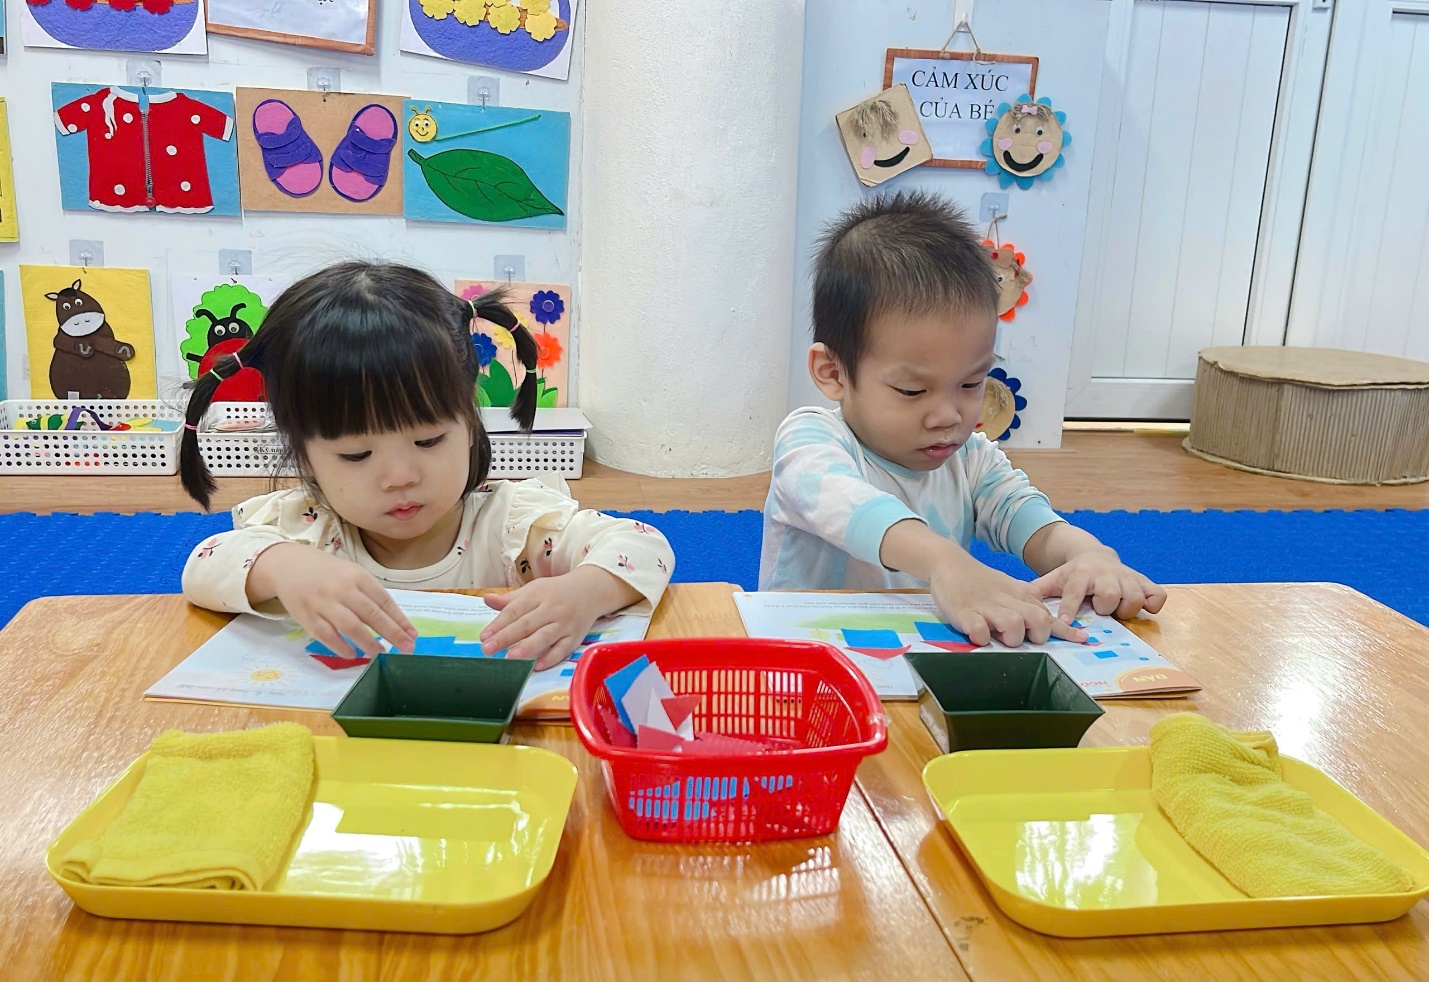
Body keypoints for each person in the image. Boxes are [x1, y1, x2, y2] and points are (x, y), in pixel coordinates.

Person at [179, 262, 674, 670]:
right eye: (356, 454)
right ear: (303, 452)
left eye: (429, 439)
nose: (401, 476)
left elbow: (643, 545)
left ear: (471, 420)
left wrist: (584, 591)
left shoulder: (512, 525)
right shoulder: (306, 531)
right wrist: (280, 568)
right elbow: (202, 568)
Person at [761, 191, 1164, 647]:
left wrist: (1088, 555)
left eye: (971, 384)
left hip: (921, 657)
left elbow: (1028, 520)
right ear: (833, 372)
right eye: (913, 391)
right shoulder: (810, 441)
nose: (949, 415)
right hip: (805, 666)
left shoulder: (971, 460)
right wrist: (945, 561)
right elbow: (849, 505)